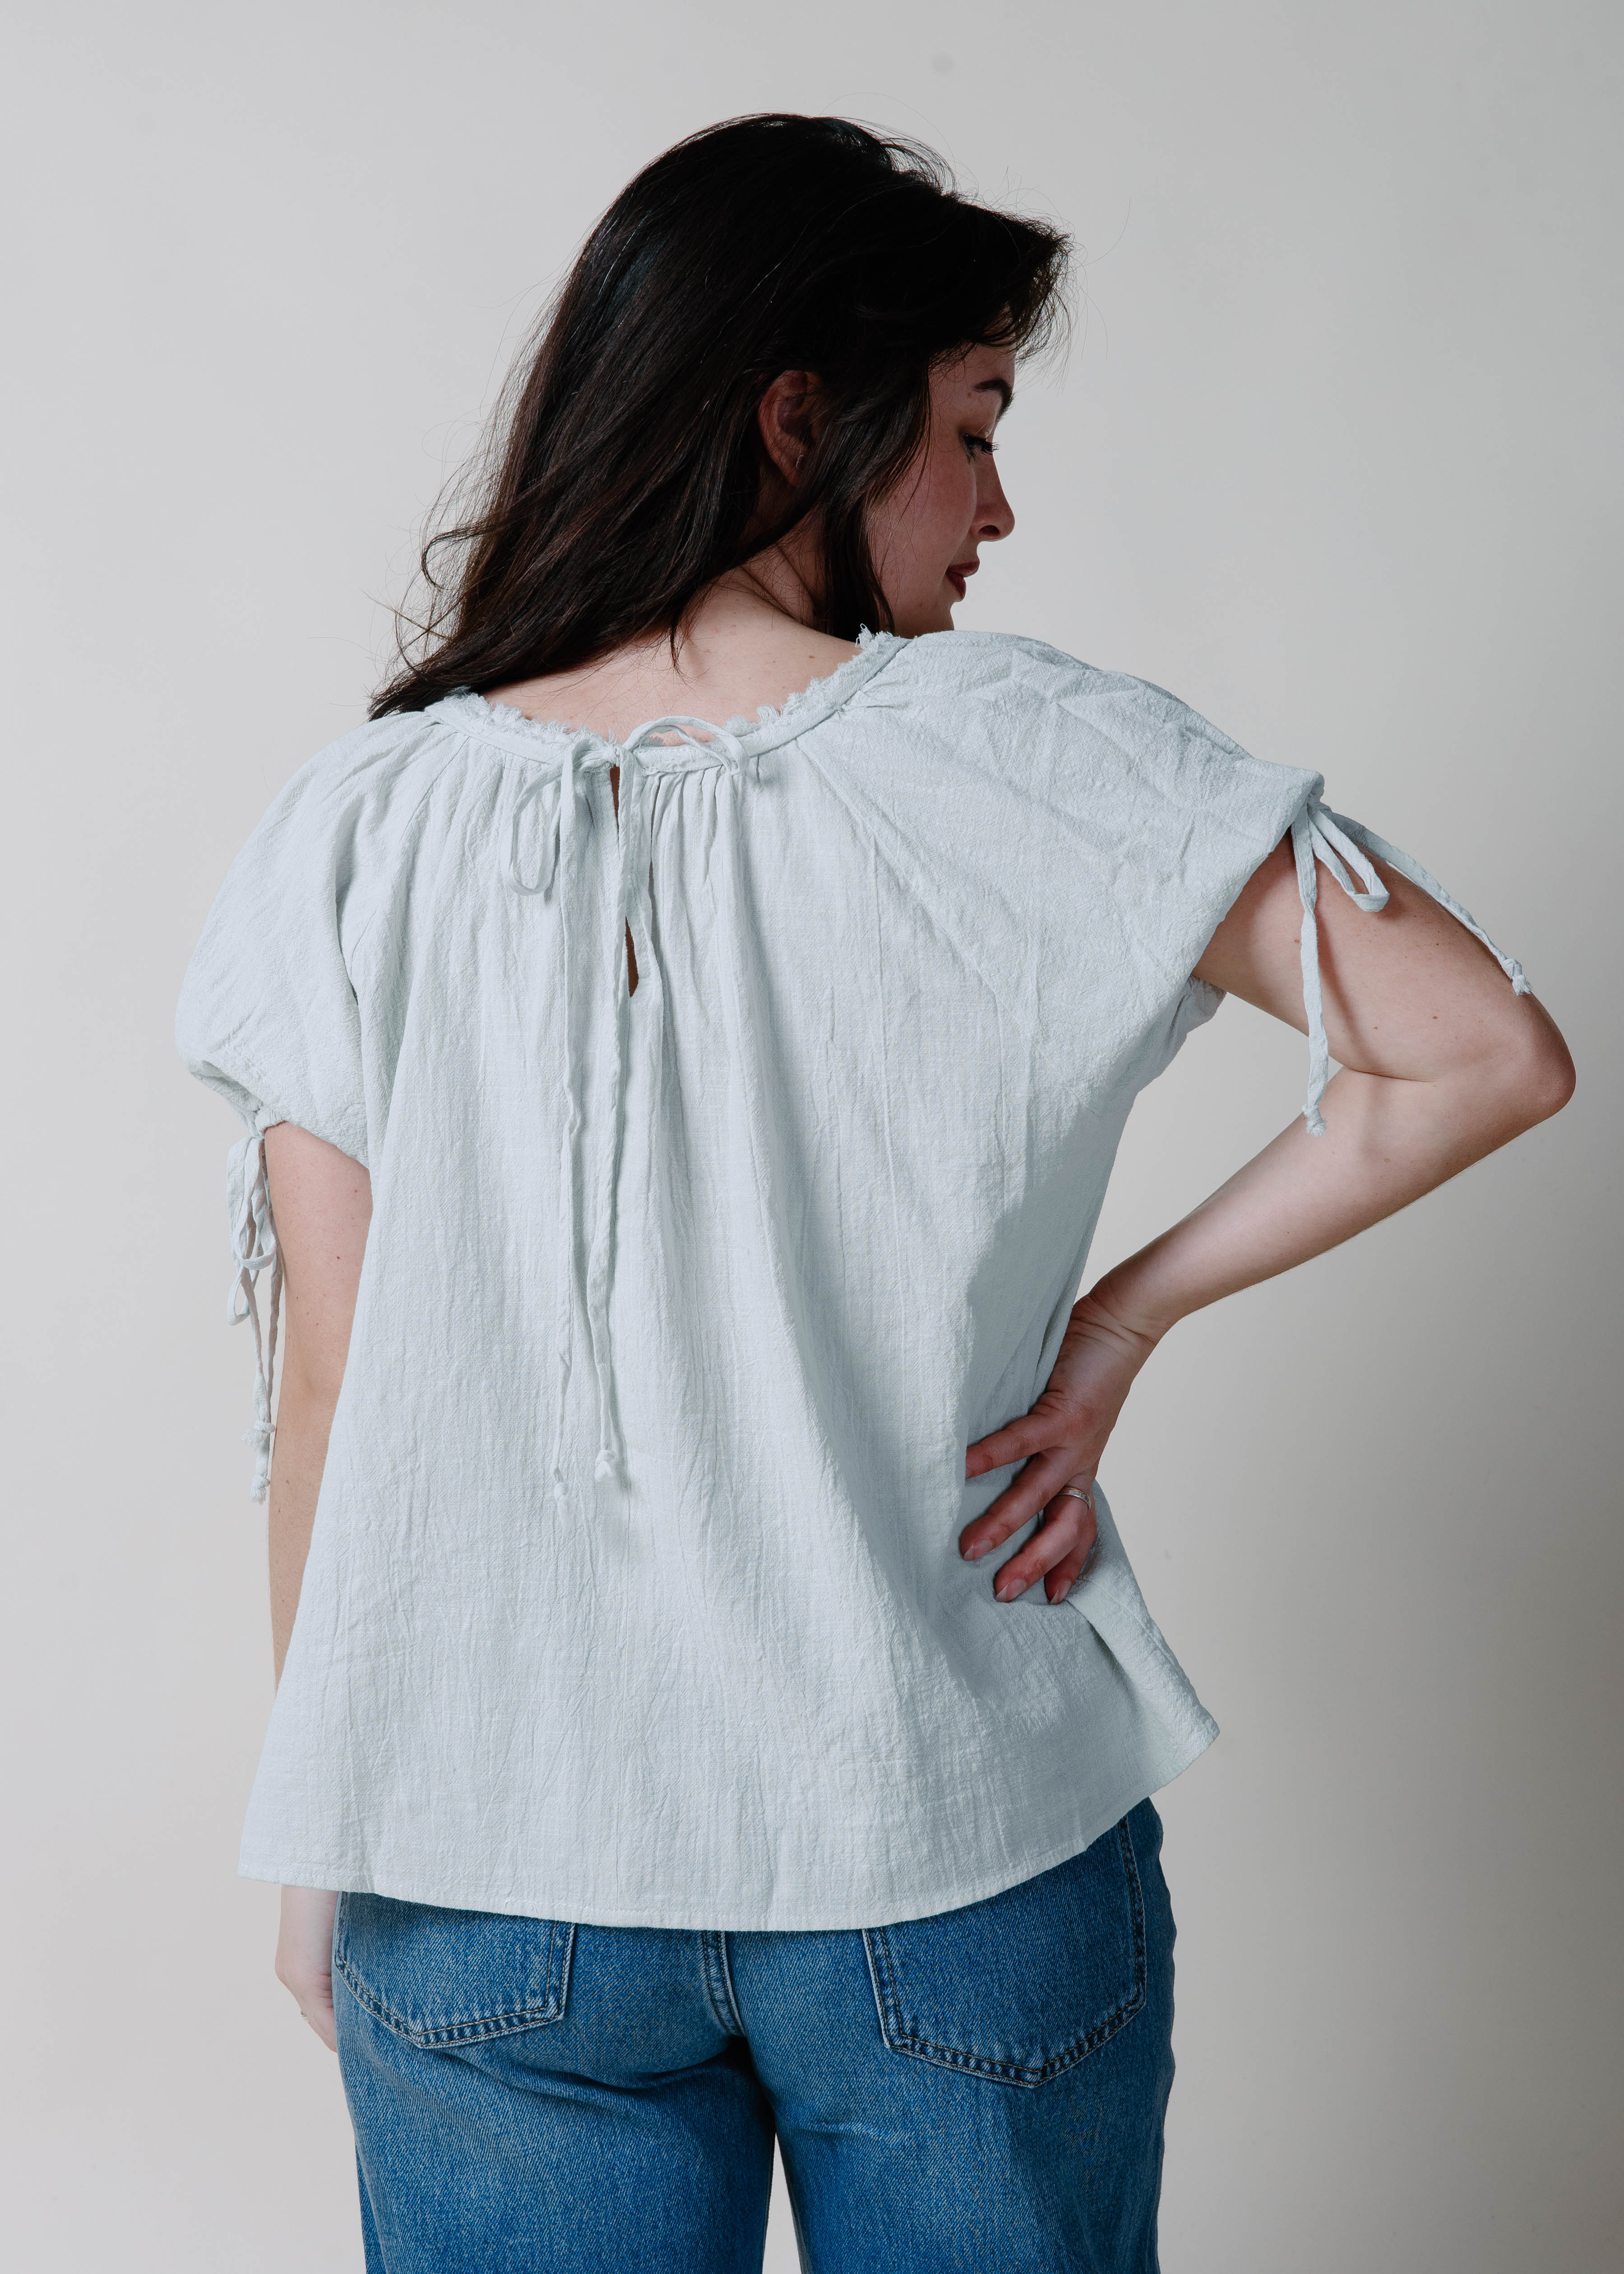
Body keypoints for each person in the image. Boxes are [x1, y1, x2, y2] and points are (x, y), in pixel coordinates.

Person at [176, 113, 1573, 2274]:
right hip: (950, 1833)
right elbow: (1484, 1049)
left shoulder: (355, 823)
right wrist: (1113, 1331)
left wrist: (319, 1837)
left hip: (487, 1874)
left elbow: (330, 1398)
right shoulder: (1035, 753)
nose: (1001, 507)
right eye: (975, 427)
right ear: (795, 416)